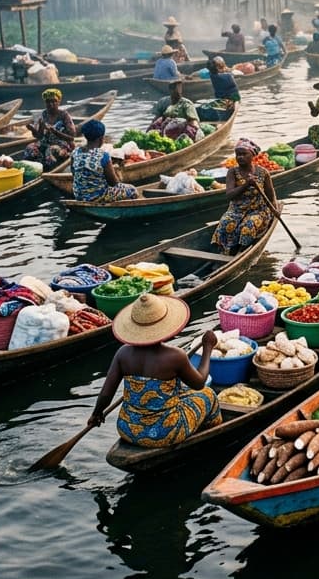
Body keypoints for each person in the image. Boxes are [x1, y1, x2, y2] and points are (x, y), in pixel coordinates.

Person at [88, 293, 221, 447]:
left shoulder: (123, 353)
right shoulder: (176, 356)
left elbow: (106, 394)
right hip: (166, 432)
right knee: (208, 394)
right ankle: (211, 439)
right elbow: (199, 383)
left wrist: (96, 414)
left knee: (181, 392)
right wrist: (208, 348)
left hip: (127, 429)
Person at [211, 138, 278, 255]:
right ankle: (224, 250)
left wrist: (274, 210)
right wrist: (246, 184)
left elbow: (270, 195)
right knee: (225, 223)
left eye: (244, 154)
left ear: (252, 155)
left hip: (258, 210)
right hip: (236, 210)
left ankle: (242, 252)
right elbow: (229, 195)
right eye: (238, 154)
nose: (240, 157)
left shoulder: (263, 172)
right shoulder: (232, 172)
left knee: (247, 227)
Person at [71, 119, 138, 202]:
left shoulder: (75, 152)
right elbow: (113, 183)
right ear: (101, 138)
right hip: (98, 196)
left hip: (79, 195)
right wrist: (117, 174)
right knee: (132, 189)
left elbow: (74, 174)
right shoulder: (103, 155)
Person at [23, 87, 76, 167]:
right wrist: (33, 130)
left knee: (50, 150)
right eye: (48, 101)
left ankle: (48, 170)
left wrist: (55, 131)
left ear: (59, 101)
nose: (51, 104)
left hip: (62, 145)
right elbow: (39, 136)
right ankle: (35, 165)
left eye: (54, 101)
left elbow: (72, 137)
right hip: (46, 143)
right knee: (30, 148)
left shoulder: (64, 115)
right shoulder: (44, 114)